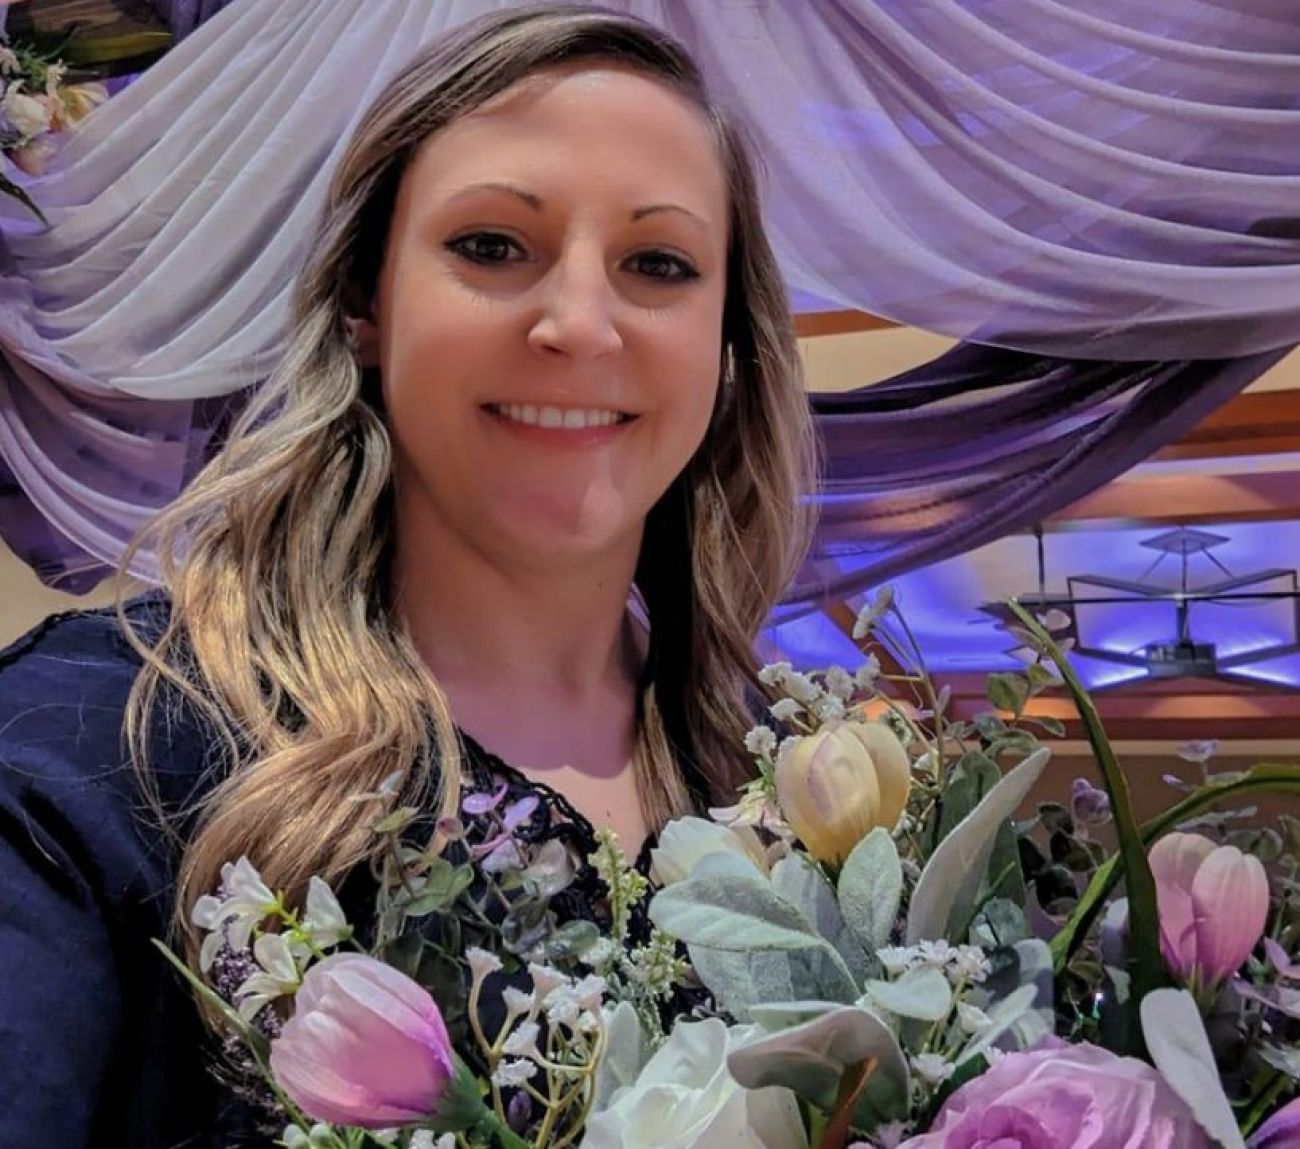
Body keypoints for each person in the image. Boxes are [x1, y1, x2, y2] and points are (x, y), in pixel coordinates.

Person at [0, 4, 817, 1146]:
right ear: (364, 306)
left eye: (658, 263)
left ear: (727, 357)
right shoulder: (97, 747)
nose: (579, 322)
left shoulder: (802, 797)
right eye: (491, 245)